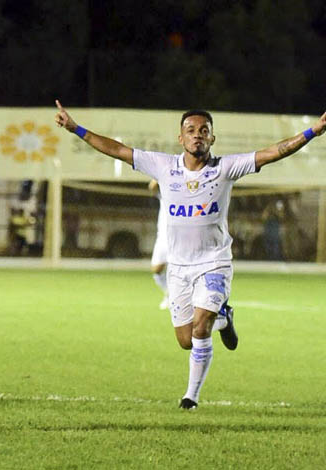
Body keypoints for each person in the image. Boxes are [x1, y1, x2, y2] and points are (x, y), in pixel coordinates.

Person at [54, 101, 326, 409]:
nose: (197, 135)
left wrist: (313, 131)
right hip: (179, 267)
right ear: (180, 138)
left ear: (213, 138)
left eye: (204, 131)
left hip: (214, 263)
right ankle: (224, 317)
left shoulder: (225, 168)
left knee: (200, 328)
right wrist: (75, 128)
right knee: (186, 339)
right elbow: (117, 150)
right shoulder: (163, 166)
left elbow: (274, 151)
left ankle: (190, 397)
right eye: (191, 131)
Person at [148, 179, 169, 309]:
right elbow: (152, 186)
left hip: (178, 239)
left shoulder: (185, 197)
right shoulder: (165, 196)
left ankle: (179, 299)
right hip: (162, 238)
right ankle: (169, 293)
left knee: (177, 271)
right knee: (156, 269)